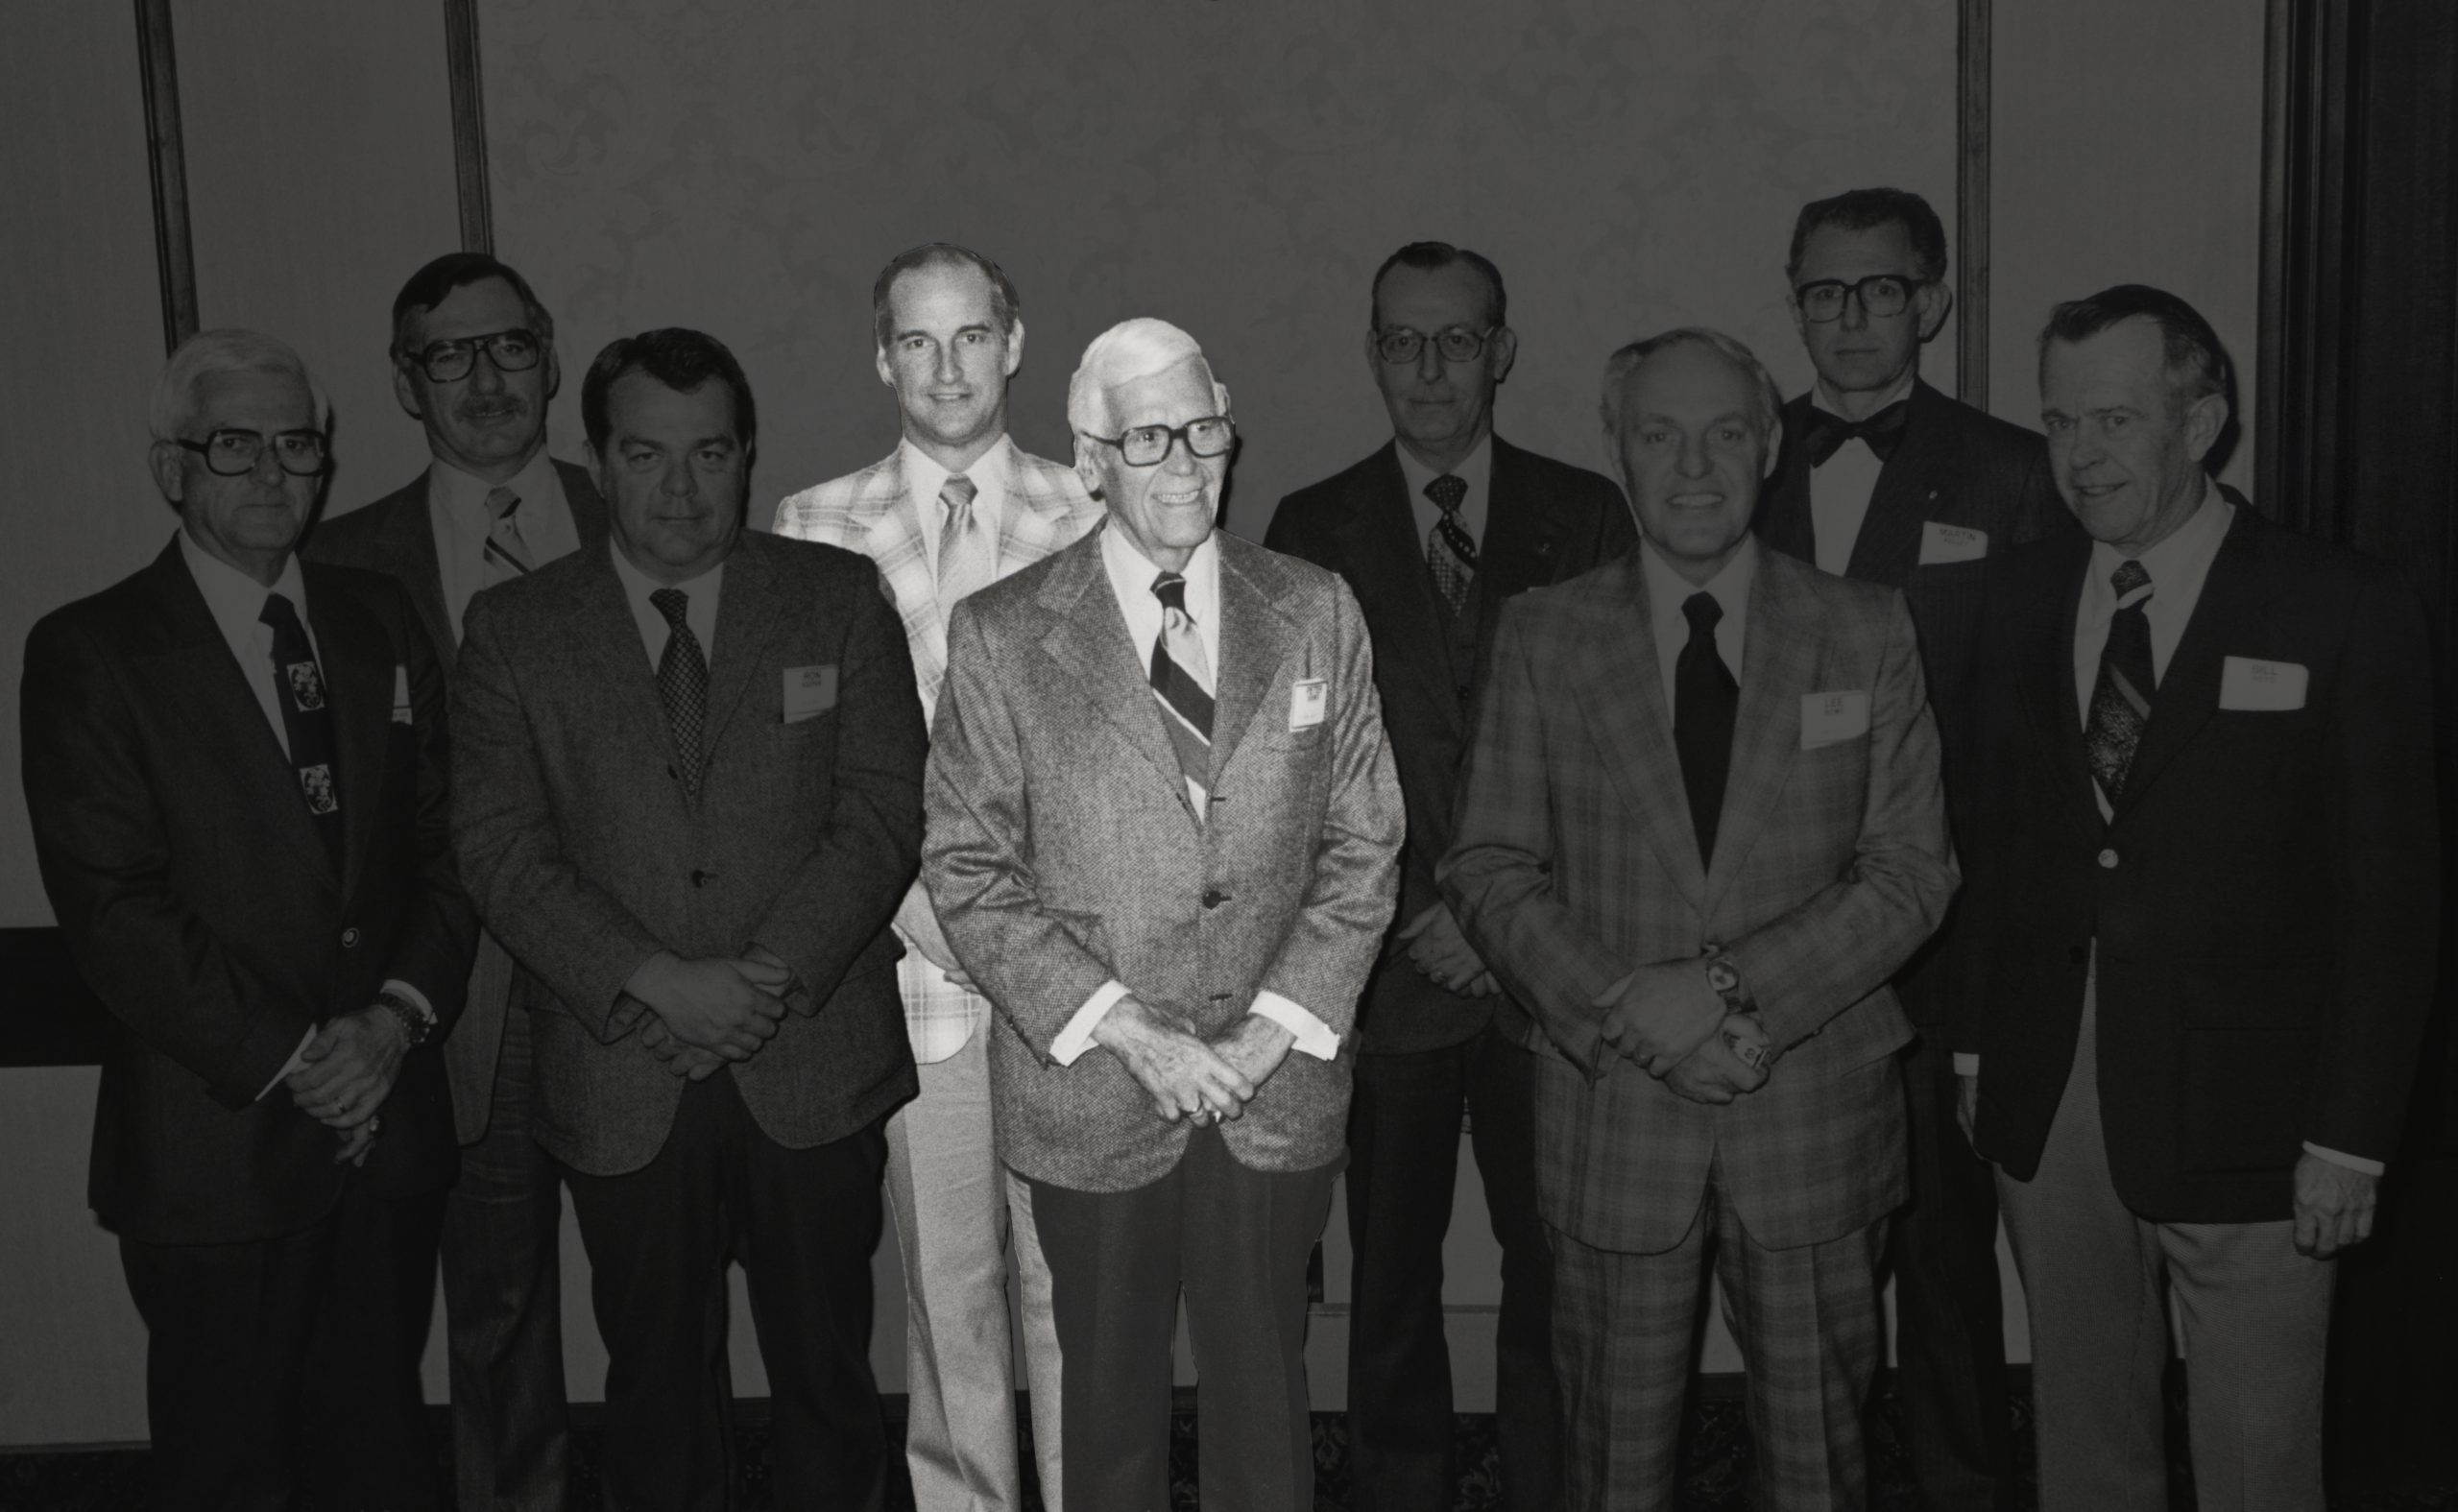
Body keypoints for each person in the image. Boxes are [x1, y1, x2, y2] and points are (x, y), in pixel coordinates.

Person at [1441, 327, 1959, 1511]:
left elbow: (1910, 874)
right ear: (1614, 447)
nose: (1693, 465)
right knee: (1611, 1469)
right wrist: (1634, 1013)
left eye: (1726, 432)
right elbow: (1489, 866)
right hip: (1618, 1111)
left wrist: (1721, 990)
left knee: (1819, 1464)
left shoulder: (1865, 628)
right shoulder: (1544, 633)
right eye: (1659, 435)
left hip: (1813, 1115)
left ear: (1769, 446)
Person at [1953, 284, 2439, 1512]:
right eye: (2060, 424)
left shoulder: (2343, 605)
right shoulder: (2012, 597)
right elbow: (1994, 844)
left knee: (2257, 1452)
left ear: (2205, 420)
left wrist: (2349, 1136)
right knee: (2084, 1435)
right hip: (2052, 1092)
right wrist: (1973, 1049)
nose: (2080, 456)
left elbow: (2394, 901)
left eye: (2113, 420)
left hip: (2263, 1118)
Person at [922, 317, 1404, 1512]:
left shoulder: (1315, 608)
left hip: (1270, 1086)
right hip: (1093, 1093)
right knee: (1107, 1415)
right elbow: (968, 868)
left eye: (1202, 429)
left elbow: (1365, 841)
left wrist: (1261, 1035)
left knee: (1266, 1405)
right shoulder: (999, 636)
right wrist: (1135, 1032)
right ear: (1088, 460)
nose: (1184, 463)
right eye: (1146, 439)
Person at [450, 326, 927, 1509]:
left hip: (808, 1054)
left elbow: (881, 813)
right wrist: (656, 979)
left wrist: (759, 978)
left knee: (826, 1374)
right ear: (599, 462)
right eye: (646, 455)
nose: (680, 488)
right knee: (656, 1383)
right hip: (624, 1065)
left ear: (746, 456)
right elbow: (500, 851)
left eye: (708, 453)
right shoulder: (516, 632)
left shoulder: (835, 597)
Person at [22, 328, 475, 1508]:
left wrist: (391, 1024)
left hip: (389, 1123)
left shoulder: (378, 618)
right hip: (213, 1143)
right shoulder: (91, 650)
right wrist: (297, 1058)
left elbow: (446, 846)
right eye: (234, 446)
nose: (274, 473)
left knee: (379, 1450)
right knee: (229, 1468)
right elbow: (114, 910)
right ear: (171, 467)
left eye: (297, 444)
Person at [1264, 239, 1630, 1512]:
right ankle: (1399, 1488)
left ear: (1502, 351)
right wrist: (1415, 911)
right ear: (1372, 352)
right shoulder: (1311, 529)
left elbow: (1614, 751)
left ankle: (1556, 1486)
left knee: (1560, 1270)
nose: (1429, 366)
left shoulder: (1584, 513)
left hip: (1545, 972)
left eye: (1457, 338)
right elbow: (1294, 771)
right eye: (1403, 340)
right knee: (1392, 1277)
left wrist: (1503, 921)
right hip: (1389, 971)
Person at [1750, 186, 2072, 1511]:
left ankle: (1960, 1488)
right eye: (1824, 292)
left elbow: (2047, 728)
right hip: (1774, 935)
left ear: (1932, 299)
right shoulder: (1742, 458)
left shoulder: (2012, 471)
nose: (1852, 318)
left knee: (1945, 1264)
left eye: (1880, 289)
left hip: (1950, 934)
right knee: (1793, 1269)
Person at [773, 242, 1096, 1512]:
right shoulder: (814, 524)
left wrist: (1024, 925)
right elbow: (817, 762)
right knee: (947, 1289)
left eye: (972, 336)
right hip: (911, 970)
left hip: (1071, 974)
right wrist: (920, 902)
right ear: (881, 358)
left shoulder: (1095, 509)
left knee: (1072, 1287)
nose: (948, 364)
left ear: (1016, 344)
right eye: (919, 340)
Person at [305, 251, 604, 1511]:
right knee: (494, 1312)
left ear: (548, 353)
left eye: (508, 346)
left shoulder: (640, 508)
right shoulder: (339, 561)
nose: (484, 378)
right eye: (448, 353)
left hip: (640, 983)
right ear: (403, 380)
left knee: (668, 1305)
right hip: (455, 1002)